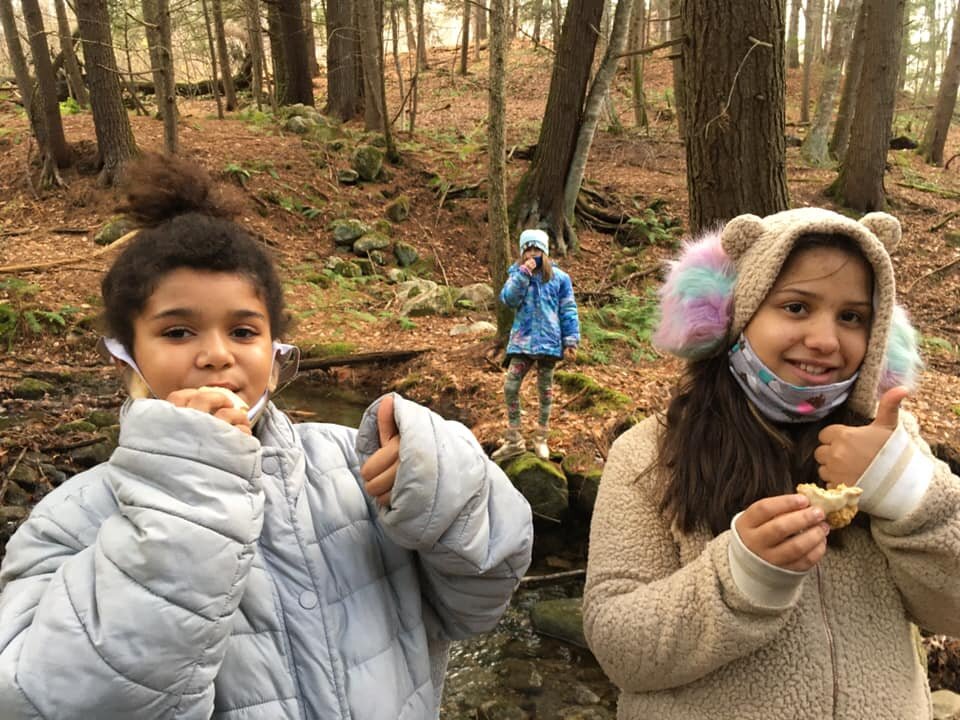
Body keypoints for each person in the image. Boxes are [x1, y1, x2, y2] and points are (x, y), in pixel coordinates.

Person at [0, 154, 533, 720]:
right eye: (177, 331)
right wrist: (186, 502)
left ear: (276, 358)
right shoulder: (68, 521)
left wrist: (449, 490)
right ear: (125, 361)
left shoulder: (353, 464)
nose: (216, 355)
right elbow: (40, 698)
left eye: (243, 331)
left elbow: (477, 604)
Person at [583, 208, 960, 719]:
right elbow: (618, 647)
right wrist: (739, 579)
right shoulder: (651, 453)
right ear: (738, 313)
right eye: (797, 307)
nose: (826, 340)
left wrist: (909, 493)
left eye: (852, 317)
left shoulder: (892, 442)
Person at [492, 228, 580, 462]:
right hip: (522, 343)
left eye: (537, 249)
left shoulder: (560, 278)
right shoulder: (517, 274)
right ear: (522, 253)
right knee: (511, 386)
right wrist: (523, 275)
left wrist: (570, 340)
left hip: (549, 345)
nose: (532, 253)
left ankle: (541, 437)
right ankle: (514, 439)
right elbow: (508, 299)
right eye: (528, 249)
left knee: (546, 391)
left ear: (545, 251)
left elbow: (568, 309)